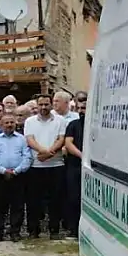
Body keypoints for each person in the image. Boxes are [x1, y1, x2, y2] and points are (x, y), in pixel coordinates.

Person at [24, 94, 67, 239]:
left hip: (56, 165)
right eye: (41, 104)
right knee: (33, 201)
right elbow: (30, 140)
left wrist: (48, 155)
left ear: (51, 105)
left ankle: (54, 230)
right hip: (36, 166)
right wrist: (45, 152)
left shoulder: (60, 120)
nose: (43, 107)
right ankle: (33, 230)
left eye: (46, 104)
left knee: (56, 200)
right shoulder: (30, 121)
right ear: (37, 105)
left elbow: (61, 139)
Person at [0, 112, 32, 242]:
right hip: (0, 177)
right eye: (6, 123)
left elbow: (27, 157)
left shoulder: (22, 139)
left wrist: (16, 171)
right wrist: (3, 171)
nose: (9, 125)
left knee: (17, 205)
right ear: (1, 125)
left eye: (11, 122)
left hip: (18, 176)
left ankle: (15, 231)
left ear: (16, 124)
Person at [64, 95, 86, 238]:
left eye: (83, 108)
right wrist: (83, 156)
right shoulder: (73, 125)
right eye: (78, 108)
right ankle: (74, 229)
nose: (80, 111)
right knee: (73, 198)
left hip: (92, 169)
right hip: (75, 167)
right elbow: (68, 144)